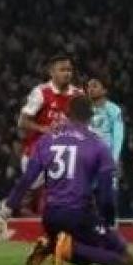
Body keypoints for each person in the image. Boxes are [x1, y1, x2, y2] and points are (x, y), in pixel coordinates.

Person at [0, 96, 133, 265]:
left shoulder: (47, 140)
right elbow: (106, 194)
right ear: (92, 116)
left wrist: (6, 211)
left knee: (84, 260)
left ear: (66, 114)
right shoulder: (98, 144)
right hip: (80, 215)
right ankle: (65, 247)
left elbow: (26, 180)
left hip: (50, 217)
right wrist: (107, 220)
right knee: (127, 261)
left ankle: (51, 244)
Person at [17, 54, 82, 213]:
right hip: (38, 149)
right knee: (30, 190)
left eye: (69, 70)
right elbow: (22, 122)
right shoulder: (41, 92)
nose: (67, 73)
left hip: (65, 151)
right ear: (51, 72)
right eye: (62, 70)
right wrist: (43, 129)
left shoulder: (78, 94)